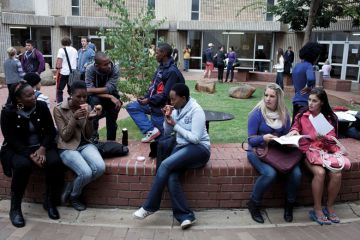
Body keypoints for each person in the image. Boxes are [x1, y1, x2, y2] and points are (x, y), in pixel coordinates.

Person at [133, 83, 210, 230]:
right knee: (171, 176)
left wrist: (175, 125)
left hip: (199, 150)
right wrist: (167, 118)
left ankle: (150, 206)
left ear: (183, 98)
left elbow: (195, 139)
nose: (171, 103)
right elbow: (168, 132)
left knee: (165, 165)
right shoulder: (176, 111)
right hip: (182, 148)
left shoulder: (196, 111)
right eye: (170, 99)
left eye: (173, 99)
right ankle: (186, 216)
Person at [0, 81, 64, 228]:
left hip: (42, 145)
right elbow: (11, 139)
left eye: (33, 92)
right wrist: (31, 154)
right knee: (22, 166)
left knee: (55, 162)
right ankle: (15, 209)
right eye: (28, 95)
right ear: (18, 99)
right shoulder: (9, 112)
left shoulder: (40, 106)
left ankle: (49, 201)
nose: (34, 96)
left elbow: (50, 131)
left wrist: (42, 149)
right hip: (18, 149)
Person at [247, 83, 302, 224]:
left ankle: (289, 205)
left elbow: (284, 137)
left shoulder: (284, 114)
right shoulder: (257, 113)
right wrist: (263, 138)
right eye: (266, 95)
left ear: (279, 99)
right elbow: (251, 140)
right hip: (258, 150)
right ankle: (254, 204)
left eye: (272, 96)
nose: (267, 99)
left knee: (297, 174)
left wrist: (290, 137)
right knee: (270, 173)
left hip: (278, 151)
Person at [289, 88, 340, 225]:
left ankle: (329, 207)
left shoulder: (330, 118)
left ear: (322, 102)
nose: (310, 103)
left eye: (314, 101)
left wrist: (325, 137)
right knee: (320, 172)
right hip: (309, 153)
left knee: (337, 174)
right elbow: (295, 128)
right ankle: (317, 209)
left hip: (327, 152)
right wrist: (293, 132)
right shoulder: (302, 115)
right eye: (309, 100)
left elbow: (334, 139)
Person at [53, 80, 105, 211]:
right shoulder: (58, 109)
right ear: (70, 94)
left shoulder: (85, 107)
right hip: (67, 147)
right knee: (85, 172)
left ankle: (71, 187)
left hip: (84, 144)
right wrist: (73, 119)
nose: (82, 99)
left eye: (85, 96)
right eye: (78, 96)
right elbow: (64, 136)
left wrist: (90, 118)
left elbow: (89, 133)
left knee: (100, 167)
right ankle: (75, 196)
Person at [126, 43, 185, 143]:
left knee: (160, 143)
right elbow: (154, 87)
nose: (155, 55)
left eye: (157, 53)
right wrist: (145, 97)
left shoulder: (172, 72)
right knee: (132, 107)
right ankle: (151, 130)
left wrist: (148, 100)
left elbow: (166, 95)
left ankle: (160, 135)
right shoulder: (161, 67)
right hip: (153, 103)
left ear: (164, 53)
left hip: (161, 109)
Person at [85, 51, 122, 142]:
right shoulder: (90, 69)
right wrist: (109, 96)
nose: (109, 65)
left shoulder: (115, 68)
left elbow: (109, 88)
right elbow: (87, 91)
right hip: (97, 98)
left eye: (109, 62)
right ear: (97, 65)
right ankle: (93, 137)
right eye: (105, 64)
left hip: (112, 96)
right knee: (94, 107)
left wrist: (110, 95)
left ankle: (111, 141)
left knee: (112, 117)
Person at [291, 42, 322, 122]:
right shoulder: (309, 66)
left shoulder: (297, 66)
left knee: (294, 124)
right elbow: (311, 78)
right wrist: (309, 86)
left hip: (296, 100)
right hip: (305, 102)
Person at [55, 36, 78, 103]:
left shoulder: (61, 50)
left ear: (62, 43)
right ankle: (72, 101)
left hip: (64, 73)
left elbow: (59, 62)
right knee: (71, 89)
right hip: (73, 73)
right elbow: (76, 60)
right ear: (70, 42)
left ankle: (60, 103)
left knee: (59, 89)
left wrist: (57, 70)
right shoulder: (75, 50)